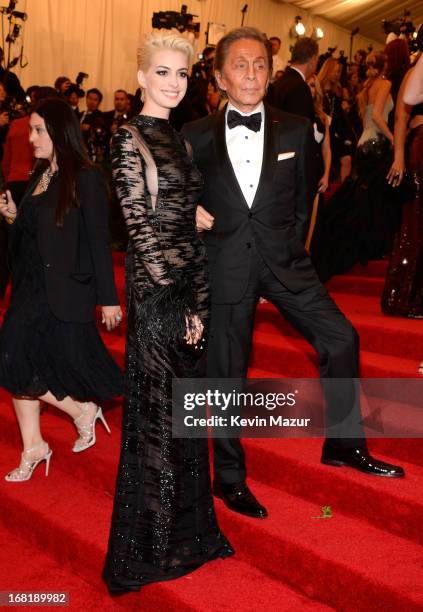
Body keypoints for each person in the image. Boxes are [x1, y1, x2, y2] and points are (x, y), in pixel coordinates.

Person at [182, 27, 404, 521]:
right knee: (227, 376)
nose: (252, 74)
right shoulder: (193, 136)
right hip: (226, 267)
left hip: (286, 262)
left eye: (260, 64)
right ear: (219, 77)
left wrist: (292, 251)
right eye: (239, 65)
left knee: (342, 337)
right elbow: (178, 200)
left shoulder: (294, 127)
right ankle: (230, 478)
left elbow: (304, 202)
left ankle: (344, 444)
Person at [102, 31, 233, 594]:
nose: (174, 83)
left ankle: (188, 533)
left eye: (181, 74)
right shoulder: (126, 138)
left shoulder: (179, 141)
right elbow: (141, 231)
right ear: (141, 78)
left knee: (185, 417)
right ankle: (149, 550)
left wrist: (199, 303)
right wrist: (179, 306)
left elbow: (183, 226)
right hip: (157, 296)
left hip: (185, 288)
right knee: (157, 418)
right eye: (162, 73)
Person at [0, 97, 123, 482]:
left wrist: (108, 297)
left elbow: (99, 241)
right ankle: (37, 443)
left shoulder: (84, 176)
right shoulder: (40, 175)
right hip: (29, 286)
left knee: (20, 363)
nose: (31, 138)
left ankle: (78, 411)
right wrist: (13, 217)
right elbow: (41, 231)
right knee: (15, 362)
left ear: (58, 131)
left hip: (63, 287)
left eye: (38, 130)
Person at [312, 51, 401, 282]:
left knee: (360, 195)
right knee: (368, 196)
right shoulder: (385, 84)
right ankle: (361, 243)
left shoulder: (369, 86)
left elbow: (368, 117)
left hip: (365, 140)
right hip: (375, 143)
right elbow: (380, 118)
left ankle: (357, 241)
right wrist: (394, 139)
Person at [382, 47, 423, 318]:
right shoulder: (414, 74)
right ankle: (403, 296)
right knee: (414, 221)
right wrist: (398, 156)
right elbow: (401, 116)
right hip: (419, 142)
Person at [268, 37, 318, 123]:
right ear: (312, 59)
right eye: (317, 58)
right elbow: (302, 129)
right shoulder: (300, 88)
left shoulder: (279, 82)